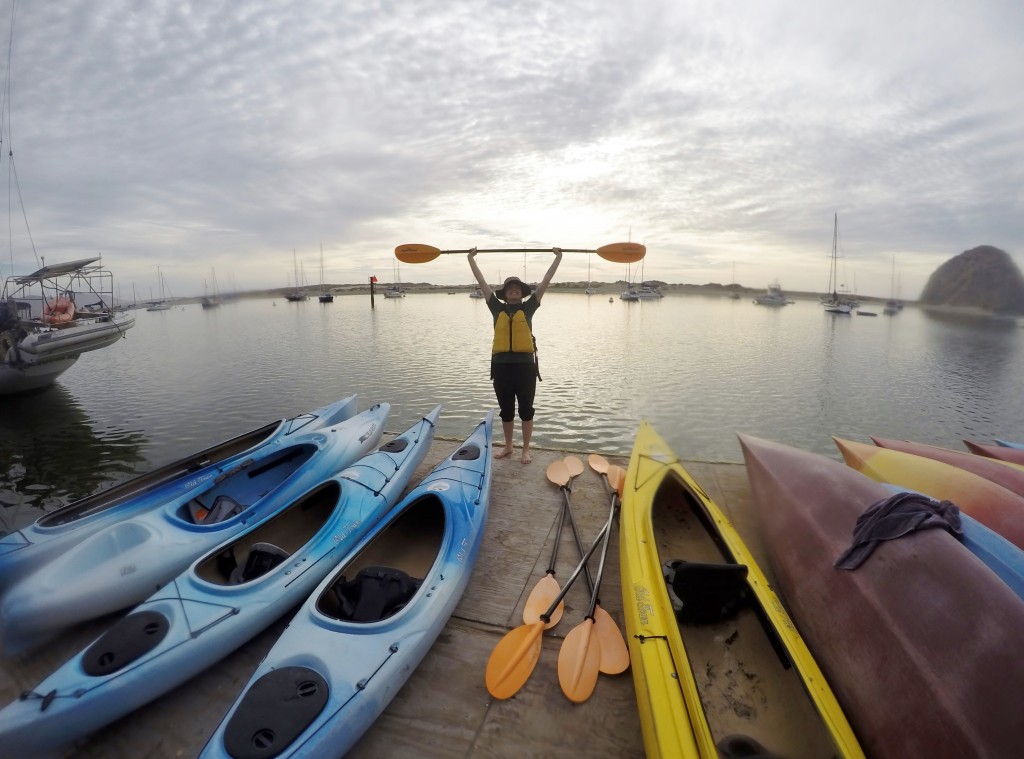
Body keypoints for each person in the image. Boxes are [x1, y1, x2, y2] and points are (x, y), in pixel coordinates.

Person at [468, 247, 563, 463]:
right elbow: (481, 281)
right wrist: (470, 259)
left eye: (516, 287)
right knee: (506, 409)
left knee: (526, 409)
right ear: (505, 293)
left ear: (521, 292)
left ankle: (525, 449)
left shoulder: (529, 307)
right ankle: (509, 447)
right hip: (501, 367)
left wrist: (558, 258)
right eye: (509, 287)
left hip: (525, 367)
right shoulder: (496, 308)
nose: (513, 290)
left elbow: (546, 280)